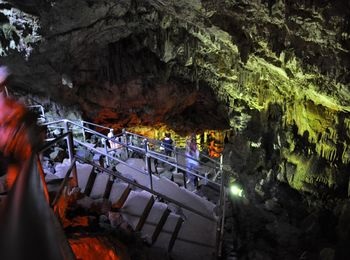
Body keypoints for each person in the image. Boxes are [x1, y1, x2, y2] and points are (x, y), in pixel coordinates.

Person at [0, 65, 44, 191]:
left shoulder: (9, 104)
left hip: (16, 146)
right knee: (19, 175)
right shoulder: (8, 105)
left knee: (21, 175)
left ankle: (23, 195)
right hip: (12, 146)